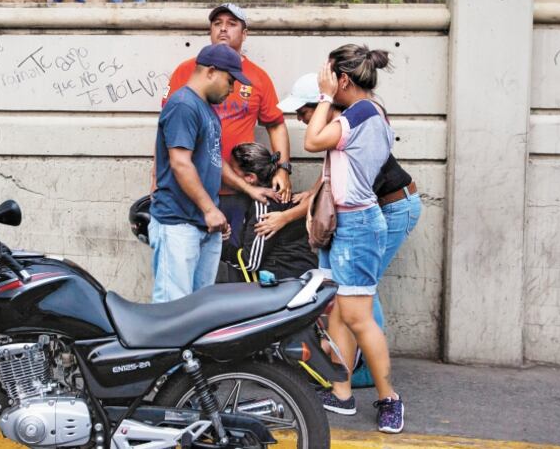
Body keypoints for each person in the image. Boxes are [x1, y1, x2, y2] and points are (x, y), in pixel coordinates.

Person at [280, 72, 422, 388]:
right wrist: (311, 194)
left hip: (395, 207)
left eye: (303, 112)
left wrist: (285, 218)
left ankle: (368, 371)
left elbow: (340, 182)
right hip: (382, 208)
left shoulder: (352, 128)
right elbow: (332, 176)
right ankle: (344, 371)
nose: (301, 120)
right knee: (355, 292)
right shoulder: (342, 127)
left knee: (361, 292)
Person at [303, 44, 404, 434]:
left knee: (358, 317)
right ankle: (341, 393)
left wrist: (325, 98)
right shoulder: (372, 111)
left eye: (328, 75)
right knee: (341, 313)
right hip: (348, 222)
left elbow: (312, 141)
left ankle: (389, 398)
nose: (323, 81)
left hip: (357, 225)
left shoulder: (361, 112)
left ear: (343, 79)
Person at [163, 4, 292, 256]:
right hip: (191, 187)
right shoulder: (186, 72)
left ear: (244, 34)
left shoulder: (258, 77)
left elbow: (276, 124)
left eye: (232, 24)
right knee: (185, 257)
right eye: (217, 23)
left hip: (237, 189)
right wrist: (158, 182)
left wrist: (283, 169)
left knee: (231, 259)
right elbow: (169, 132)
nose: (223, 29)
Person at [150, 43, 250, 303]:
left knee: (199, 309)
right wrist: (209, 209)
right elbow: (180, 163)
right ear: (211, 71)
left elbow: (213, 159)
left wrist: (248, 190)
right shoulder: (183, 105)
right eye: (230, 81)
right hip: (178, 222)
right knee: (173, 308)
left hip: (203, 225)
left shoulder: (205, 109)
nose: (232, 89)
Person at [221, 143, 317, 282]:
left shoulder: (264, 205)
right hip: (304, 274)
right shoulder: (289, 198)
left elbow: (250, 262)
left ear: (250, 177)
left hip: (281, 282)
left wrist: (221, 246)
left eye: (233, 171)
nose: (229, 175)